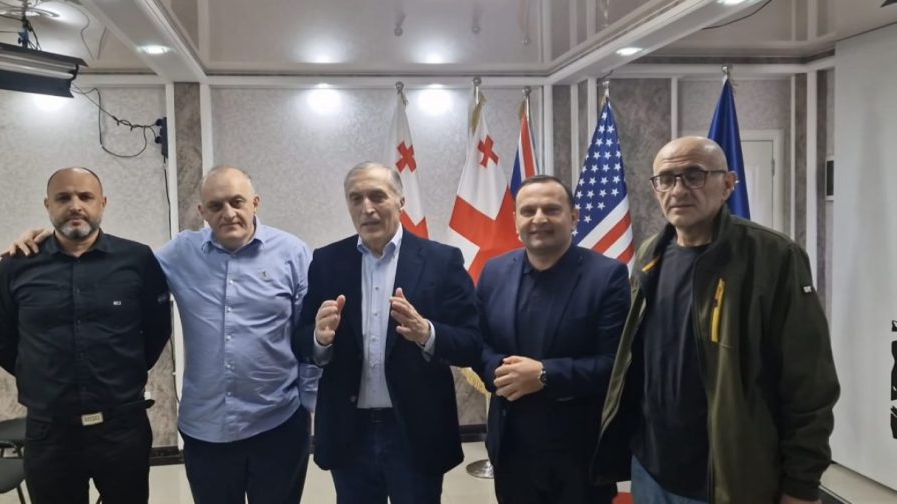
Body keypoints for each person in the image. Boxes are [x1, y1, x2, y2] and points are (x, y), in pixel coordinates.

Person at [5, 165, 319, 504]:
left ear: (255, 202)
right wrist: (47, 240)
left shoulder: (293, 252)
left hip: (278, 420)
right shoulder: (180, 253)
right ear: (202, 212)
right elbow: (114, 266)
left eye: (237, 202)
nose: (228, 213)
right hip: (208, 428)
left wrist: (307, 401)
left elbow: (307, 332)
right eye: (215, 206)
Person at [593, 137, 840, 504]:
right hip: (651, 468)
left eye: (694, 175)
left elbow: (809, 384)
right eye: (666, 179)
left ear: (727, 184)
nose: (678, 190)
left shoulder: (774, 258)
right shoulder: (650, 255)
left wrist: (801, 484)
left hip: (728, 475)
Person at [294, 161, 481, 504]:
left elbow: (472, 342)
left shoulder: (442, 261)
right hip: (349, 432)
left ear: (400, 200)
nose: (367, 208)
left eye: (377, 196)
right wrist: (319, 339)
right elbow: (301, 340)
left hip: (416, 430)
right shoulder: (327, 261)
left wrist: (427, 334)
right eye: (356, 198)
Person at [0, 167, 172, 504]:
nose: (75, 205)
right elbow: (1, 344)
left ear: (102, 203)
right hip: (50, 432)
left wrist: (118, 376)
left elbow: (157, 331)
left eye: (86, 196)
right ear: (48, 205)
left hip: (122, 427)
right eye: (63, 198)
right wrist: (47, 377)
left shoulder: (137, 259)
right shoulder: (16, 265)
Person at [476, 175, 630, 504]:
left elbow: (615, 366)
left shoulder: (608, 276)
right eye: (528, 211)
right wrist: (500, 371)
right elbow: (479, 345)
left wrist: (545, 374)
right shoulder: (494, 272)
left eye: (551, 209)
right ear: (515, 220)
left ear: (573, 217)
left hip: (579, 453)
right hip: (512, 450)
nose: (539, 218)